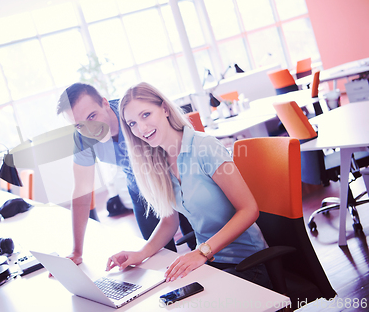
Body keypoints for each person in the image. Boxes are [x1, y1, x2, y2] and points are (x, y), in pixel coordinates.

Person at [105, 82, 271, 288]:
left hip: (248, 263)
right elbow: (169, 221)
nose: (141, 128)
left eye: (146, 115)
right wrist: (141, 254)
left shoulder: (204, 146)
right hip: (211, 263)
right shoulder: (159, 161)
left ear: (164, 109)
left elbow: (249, 210)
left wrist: (202, 252)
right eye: (132, 124)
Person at [56, 83, 194, 265]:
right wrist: (76, 251)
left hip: (176, 179)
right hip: (141, 189)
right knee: (159, 258)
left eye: (92, 116)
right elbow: (81, 190)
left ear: (105, 103)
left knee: (196, 242)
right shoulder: (83, 139)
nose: (90, 128)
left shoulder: (131, 115)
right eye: (80, 125)